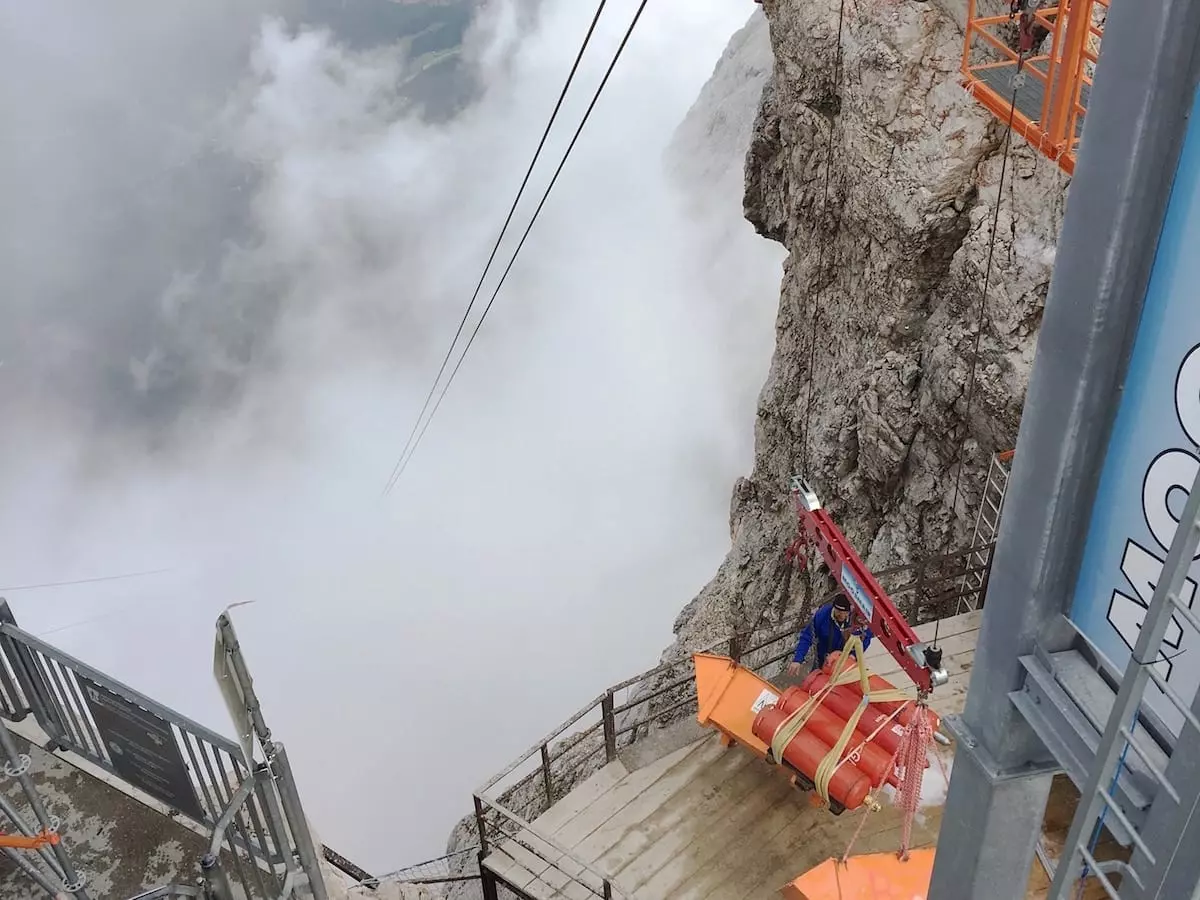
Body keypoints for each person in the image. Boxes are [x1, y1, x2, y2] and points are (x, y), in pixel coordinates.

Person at [786, 593, 873, 677]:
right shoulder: (822, 615)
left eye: (845, 613)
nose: (842, 615)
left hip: (845, 661)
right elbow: (807, 636)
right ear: (833, 608)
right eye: (838, 611)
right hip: (823, 659)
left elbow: (866, 638)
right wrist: (798, 659)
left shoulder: (856, 620)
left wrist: (853, 656)